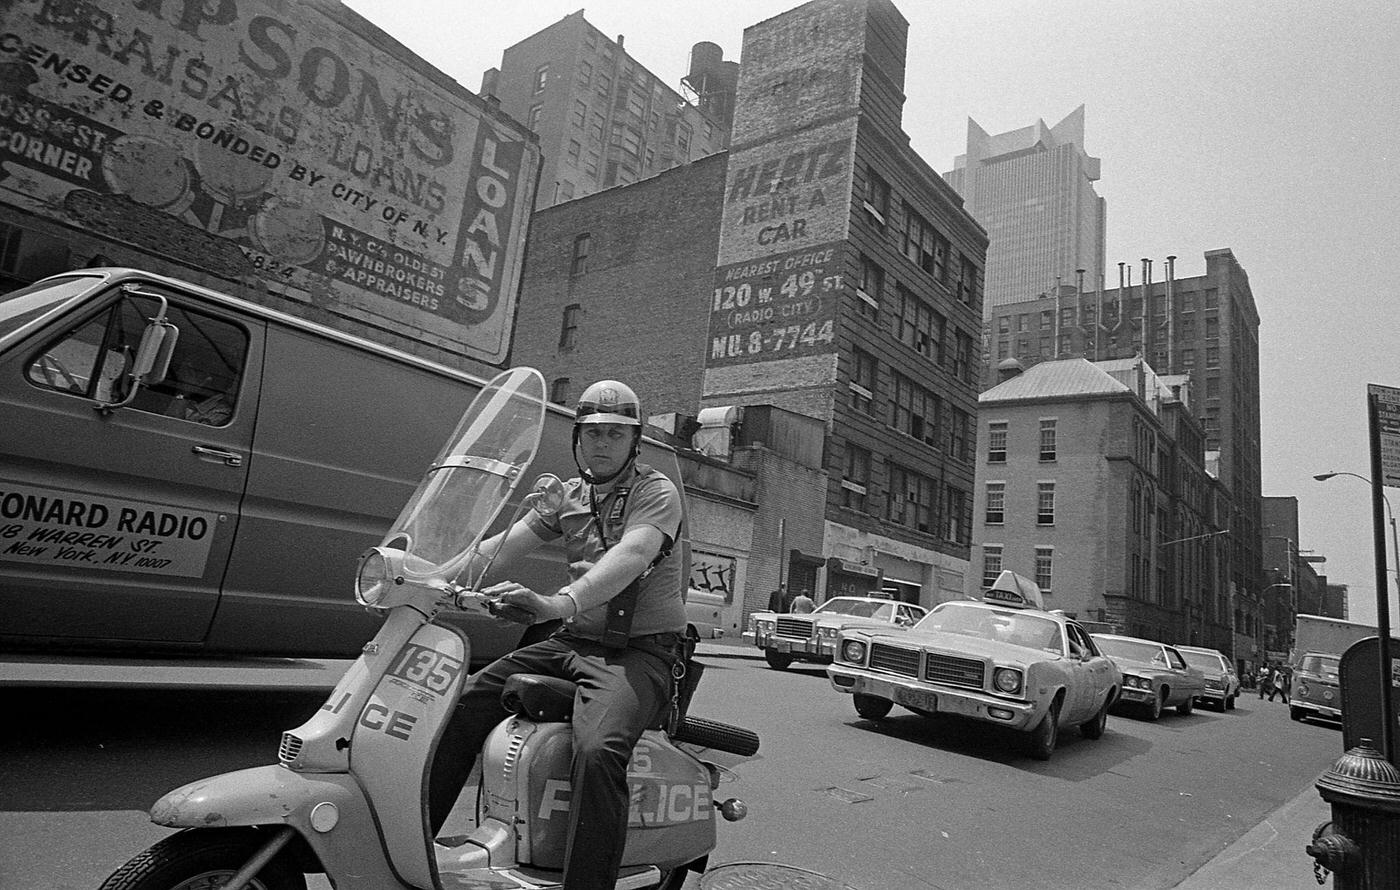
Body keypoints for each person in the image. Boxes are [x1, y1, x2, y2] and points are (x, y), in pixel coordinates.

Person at [428, 380, 686, 890]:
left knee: (598, 751)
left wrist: (555, 603)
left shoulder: (655, 492)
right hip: (575, 642)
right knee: (461, 705)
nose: (603, 444)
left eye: (616, 433)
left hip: (639, 652)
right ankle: (413, 847)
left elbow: (632, 556)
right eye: (593, 433)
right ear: (577, 439)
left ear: (635, 441)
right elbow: (499, 547)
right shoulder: (567, 496)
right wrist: (429, 580)